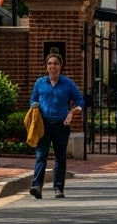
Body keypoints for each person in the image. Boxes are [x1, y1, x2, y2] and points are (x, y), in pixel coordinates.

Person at [30, 53, 85, 199]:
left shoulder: (68, 84)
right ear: (46, 66)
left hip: (61, 125)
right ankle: (37, 186)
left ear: (60, 66)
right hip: (44, 125)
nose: (52, 66)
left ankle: (58, 188)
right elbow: (33, 100)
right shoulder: (40, 83)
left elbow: (80, 101)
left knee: (60, 157)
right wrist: (34, 106)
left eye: (55, 63)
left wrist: (74, 111)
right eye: (49, 63)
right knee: (41, 155)